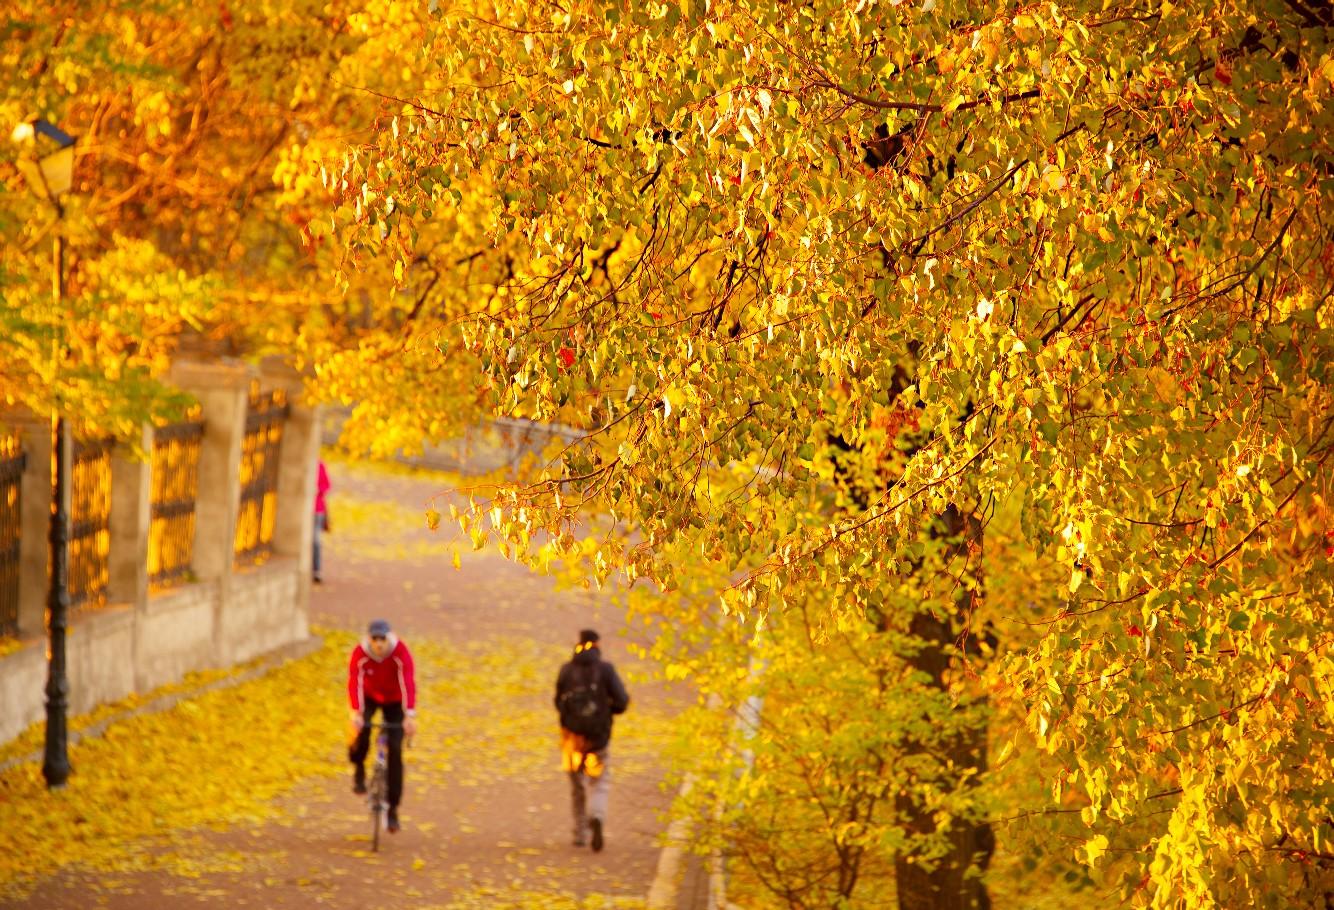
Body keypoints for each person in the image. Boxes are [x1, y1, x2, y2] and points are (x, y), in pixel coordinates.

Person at [554, 628, 629, 852]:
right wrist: (607, 711)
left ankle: (579, 833)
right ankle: (596, 815)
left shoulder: (566, 670)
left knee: (577, 786)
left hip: (572, 739)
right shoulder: (605, 670)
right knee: (599, 782)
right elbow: (622, 702)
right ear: (597, 645)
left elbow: (558, 703)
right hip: (598, 737)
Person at [347, 619, 417, 833]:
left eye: (382, 639)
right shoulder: (360, 653)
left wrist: (409, 715)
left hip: (394, 701)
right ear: (369, 638)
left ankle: (393, 809)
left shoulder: (400, 652)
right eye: (374, 639)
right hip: (369, 697)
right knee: (361, 732)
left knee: (395, 751)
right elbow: (355, 680)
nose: (378, 644)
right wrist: (357, 712)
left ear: (389, 637)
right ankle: (359, 769)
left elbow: (407, 681)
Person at [313, 460, 331, 583]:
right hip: (304, 508)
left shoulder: (319, 465)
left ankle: (316, 570)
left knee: (315, 540)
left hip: (317, 509)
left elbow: (326, 485)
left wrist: (318, 490)